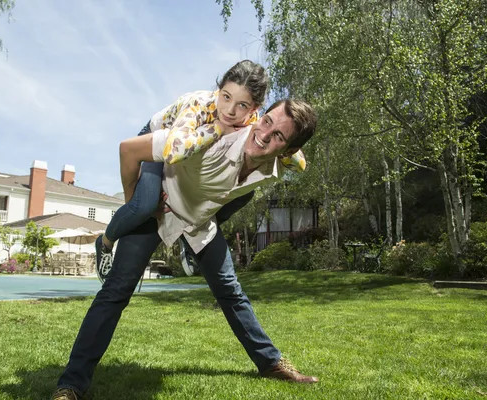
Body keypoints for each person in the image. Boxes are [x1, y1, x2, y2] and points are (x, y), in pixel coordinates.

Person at [51, 98, 318, 400]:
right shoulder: (216, 133)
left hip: (198, 221)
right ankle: (70, 385)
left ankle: (270, 363)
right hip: (158, 209)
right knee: (116, 291)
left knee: (231, 292)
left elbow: (298, 159)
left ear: (288, 150)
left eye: (279, 136)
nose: (264, 134)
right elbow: (134, 148)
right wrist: (139, 202)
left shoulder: (276, 165)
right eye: (266, 121)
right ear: (259, 115)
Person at [95, 60, 307, 280]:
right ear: (219, 89)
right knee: (145, 205)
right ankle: (105, 243)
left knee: (244, 194)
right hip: (160, 139)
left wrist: (286, 148)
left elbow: (299, 162)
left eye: (242, 105)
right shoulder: (198, 105)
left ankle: (188, 240)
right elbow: (173, 151)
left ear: (255, 109)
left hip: (186, 152)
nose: (230, 111)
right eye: (226, 97)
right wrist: (218, 128)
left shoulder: (258, 123)